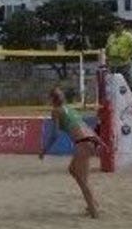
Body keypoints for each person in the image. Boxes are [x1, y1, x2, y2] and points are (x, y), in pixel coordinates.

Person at [39, 87, 101, 219]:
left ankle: (94, 211)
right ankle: (93, 204)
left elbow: (54, 135)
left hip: (83, 142)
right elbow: (82, 125)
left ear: (52, 99)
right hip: (90, 140)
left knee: (82, 180)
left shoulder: (56, 111)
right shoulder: (69, 108)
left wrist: (44, 150)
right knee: (74, 170)